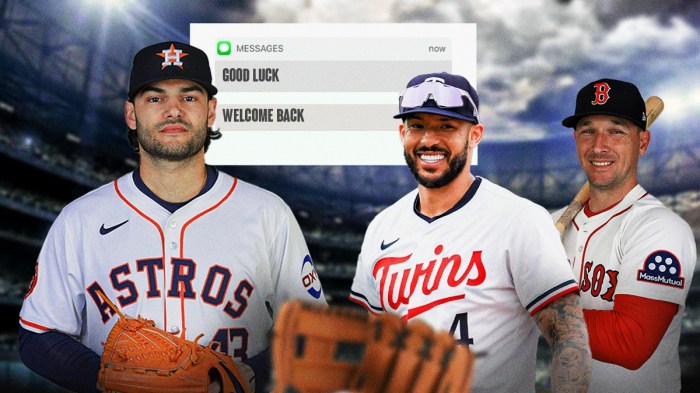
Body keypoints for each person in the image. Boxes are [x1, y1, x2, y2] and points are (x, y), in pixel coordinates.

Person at [17, 41, 327, 393]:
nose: (173, 110)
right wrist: (108, 380)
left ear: (210, 111)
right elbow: (36, 335)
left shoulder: (268, 213)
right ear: (131, 114)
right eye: (155, 98)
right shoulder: (80, 219)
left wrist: (239, 379)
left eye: (189, 97)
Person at [349, 72, 592, 392]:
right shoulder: (382, 227)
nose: (428, 140)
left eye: (446, 126)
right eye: (417, 125)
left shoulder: (519, 219)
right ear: (402, 133)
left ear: (475, 135)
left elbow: (570, 341)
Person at [554, 78, 696, 392]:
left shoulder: (661, 228)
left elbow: (628, 343)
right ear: (576, 140)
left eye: (616, 131)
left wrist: (533, 306)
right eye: (587, 130)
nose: (599, 145)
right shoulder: (549, 227)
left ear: (642, 143)